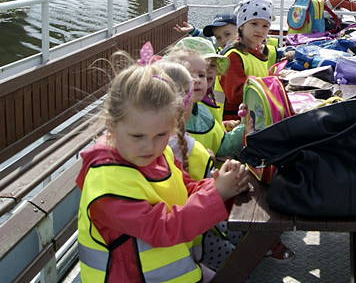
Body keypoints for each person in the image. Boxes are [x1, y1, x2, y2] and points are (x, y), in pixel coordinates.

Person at [76, 59, 249, 282]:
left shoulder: (160, 154)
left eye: (161, 135)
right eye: (137, 136)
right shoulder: (107, 184)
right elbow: (162, 228)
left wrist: (217, 183)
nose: (150, 146)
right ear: (111, 126)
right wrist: (218, 194)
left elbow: (184, 188)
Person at [220, 0, 294, 121]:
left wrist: (274, 79)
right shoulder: (233, 56)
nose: (260, 30)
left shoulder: (258, 53)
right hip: (236, 121)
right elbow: (235, 96)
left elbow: (256, 80)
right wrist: (270, 84)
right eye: (254, 24)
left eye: (265, 26)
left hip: (256, 115)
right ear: (241, 26)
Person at [173, 13, 237, 50]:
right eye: (218, 37)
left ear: (239, 30)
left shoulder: (245, 49)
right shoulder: (220, 47)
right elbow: (210, 41)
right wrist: (193, 31)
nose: (223, 40)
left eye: (227, 34)